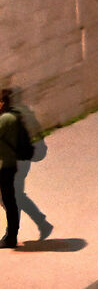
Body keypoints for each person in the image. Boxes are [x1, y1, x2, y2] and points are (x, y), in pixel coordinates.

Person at [0, 89, 35, 247]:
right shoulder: (8, 117)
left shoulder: (7, 119)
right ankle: (11, 235)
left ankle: (11, 236)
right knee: (9, 200)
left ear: (1, 103)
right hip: (7, 164)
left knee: (9, 200)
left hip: (4, 166)